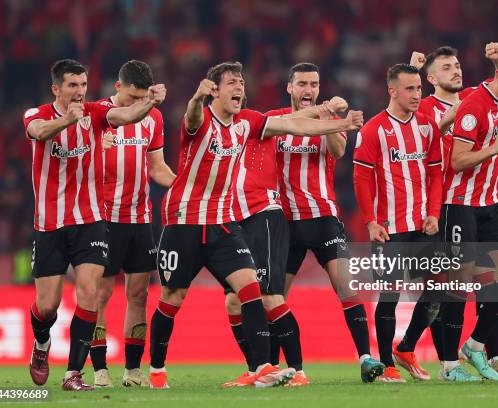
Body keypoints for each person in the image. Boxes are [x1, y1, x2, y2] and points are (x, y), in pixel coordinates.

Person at [149, 61, 364, 389]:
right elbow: (191, 116)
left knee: (251, 290)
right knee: (172, 297)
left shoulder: (248, 122)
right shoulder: (201, 119)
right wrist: (195, 98)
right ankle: (156, 371)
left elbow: (296, 126)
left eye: (242, 83)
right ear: (215, 90)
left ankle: (262, 367)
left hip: (223, 224)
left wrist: (340, 123)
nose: (240, 88)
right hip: (184, 222)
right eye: (232, 82)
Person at [24, 59, 166, 391]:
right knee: (47, 306)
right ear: (56, 89)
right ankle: (42, 344)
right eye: (73, 85)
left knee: (89, 294)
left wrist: (149, 102)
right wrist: (66, 122)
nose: (79, 92)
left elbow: (126, 116)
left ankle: (74, 373)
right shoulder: (36, 113)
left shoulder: (96, 113)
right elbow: (39, 132)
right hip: (49, 224)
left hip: (90, 221)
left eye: (84, 85)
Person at [265, 62, 386, 383]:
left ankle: (365, 358)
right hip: (285, 224)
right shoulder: (276, 120)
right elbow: (281, 130)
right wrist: (321, 111)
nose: (308, 89)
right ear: (289, 87)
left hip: (323, 219)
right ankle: (277, 367)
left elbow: (339, 151)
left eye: (314, 84)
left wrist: (331, 119)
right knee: (276, 297)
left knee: (347, 289)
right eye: (302, 83)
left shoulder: (331, 119)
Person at [221, 92, 348, 388]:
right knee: (233, 301)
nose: (236, 94)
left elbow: (298, 125)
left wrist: (329, 114)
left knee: (269, 297)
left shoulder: (258, 121)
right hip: (234, 219)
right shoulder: (217, 130)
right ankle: (257, 369)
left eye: (239, 86)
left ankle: (298, 370)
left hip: (264, 215)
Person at [439, 46, 498, 381]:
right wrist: (494, 147)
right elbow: (458, 160)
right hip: (461, 204)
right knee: (460, 281)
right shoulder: (472, 108)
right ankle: (449, 365)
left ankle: (477, 344)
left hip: (493, 202)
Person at [353, 63, 443, 382]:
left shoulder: (428, 126)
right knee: (389, 296)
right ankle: (386, 363)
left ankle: (405, 348)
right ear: (392, 90)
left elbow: (435, 172)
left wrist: (434, 212)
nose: (417, 94)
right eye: (410, 89)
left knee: (438, 291)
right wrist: (370, 221)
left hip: (423, 226)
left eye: (419, 88)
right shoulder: (374, 129)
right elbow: (361, 178)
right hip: (389, 229)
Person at [89, 60, 176, 388]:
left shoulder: (153, 117)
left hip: (140, 219)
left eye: (142, 98)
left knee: (138, 294)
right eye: (131, 97)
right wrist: (99, 149)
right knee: (100, 294)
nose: (135, 104)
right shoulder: (98, 115)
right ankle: (99, 370)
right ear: (117, 87)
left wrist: (185, 186)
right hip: (105, 218)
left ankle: (132, 370)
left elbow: (157, 167)